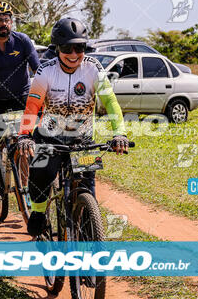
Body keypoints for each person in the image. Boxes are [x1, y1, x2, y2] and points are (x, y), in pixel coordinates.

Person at [16, 18, 129, 236]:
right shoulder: (45, 71)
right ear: (57, 48)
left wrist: (120, 132)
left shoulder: (94, 68)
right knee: (40, 172)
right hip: (49, 137)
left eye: (80, 47)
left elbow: (111, 103)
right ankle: (38, 212)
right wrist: (24, 135)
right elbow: (32, 106)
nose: (74, 53)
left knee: (88, 189)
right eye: (67, 48)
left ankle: (90, 232)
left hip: (82, 140)